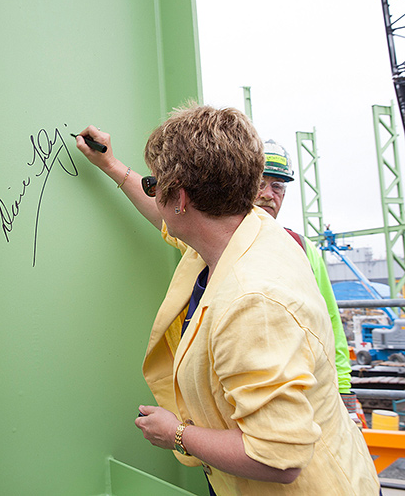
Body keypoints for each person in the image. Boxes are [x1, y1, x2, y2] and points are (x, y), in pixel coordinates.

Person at [75, 104, 378, 495]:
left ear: (180, 198)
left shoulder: (255, 303)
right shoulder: (246, 229)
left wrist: (177, 434)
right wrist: (114, 167)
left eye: (157, 185)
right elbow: (168, 218)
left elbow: (278, 456)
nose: (156, 194)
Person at [255, 140, 357, 417]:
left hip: (301, 394)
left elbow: (331, 321)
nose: (268, 194)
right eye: (259, 183)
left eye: (277, 186)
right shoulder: (215, 241)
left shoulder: (302, 247)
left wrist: (344, 390)